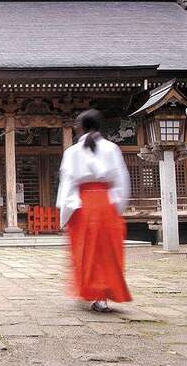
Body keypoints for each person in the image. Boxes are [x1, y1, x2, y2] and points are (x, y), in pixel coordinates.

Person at [56, 109, 132, 312]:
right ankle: (103, 295)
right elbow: (121, 180)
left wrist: (66, 213)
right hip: (106, 204)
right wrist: (117, 206)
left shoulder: (72, 152)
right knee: (107, 253)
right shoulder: (112, 148)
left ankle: (93, 292)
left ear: (80, 128)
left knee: (85, 252)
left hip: (82, 206)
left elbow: (68, 183)